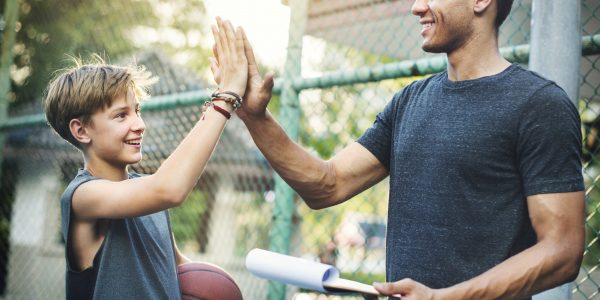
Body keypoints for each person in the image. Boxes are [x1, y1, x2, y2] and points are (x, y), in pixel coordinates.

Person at [212, 0, 586, 298]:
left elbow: (562, 250)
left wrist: (445, 298)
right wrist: (255, 117)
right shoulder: (409, 102)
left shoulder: (539, 105)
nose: (416, 7)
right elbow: (327, 185)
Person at [44, 18, 247, 299]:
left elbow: (174, 271)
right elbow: (169, 188)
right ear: (81, 130)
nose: (139, 124)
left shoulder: (152, 200)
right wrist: (225, 98)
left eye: (137, 111)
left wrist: (213, 287)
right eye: (121, 115)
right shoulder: (83, 197)